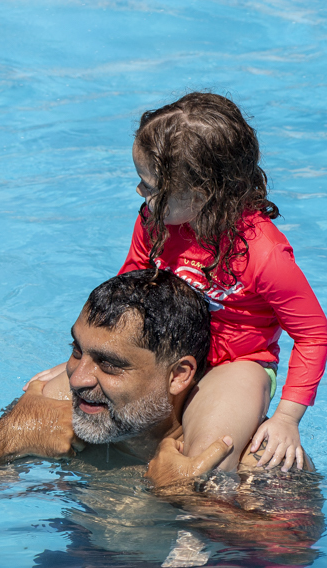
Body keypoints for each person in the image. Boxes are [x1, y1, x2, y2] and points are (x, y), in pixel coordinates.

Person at [32, 92, 327, 474]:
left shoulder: (264, 255)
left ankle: (191, 514)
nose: (140, 193)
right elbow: (129, 295)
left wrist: (287, 417)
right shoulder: (155, 222)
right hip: (165, 351)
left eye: (150, 187)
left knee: (209, 457)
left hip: (236, 365)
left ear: (200, 194)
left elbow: (313, 334)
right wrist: (90, 362)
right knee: (43, 399)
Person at [0, 269, 237, 486]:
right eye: (77, 351)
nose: (77, 379)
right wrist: (3, 439)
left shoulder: (236, 461)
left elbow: (253, 538)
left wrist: (179, 495)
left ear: (177, 376)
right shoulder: (52, 418)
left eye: (108, 364)